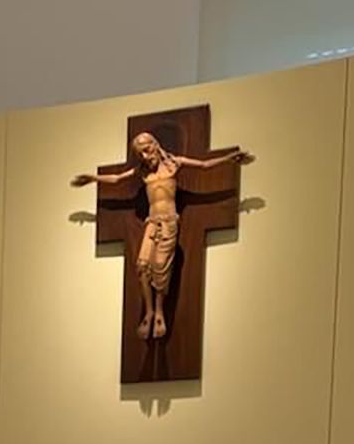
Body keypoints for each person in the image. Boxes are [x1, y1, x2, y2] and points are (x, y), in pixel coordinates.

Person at [71, 131, 252, 341]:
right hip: (151, 221)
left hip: (169, 221)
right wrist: (93, 179)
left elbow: (204, 165)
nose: (146, 157)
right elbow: (117, 178)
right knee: (141, 265)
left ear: (155, 145)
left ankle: (159, 312)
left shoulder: (175, 164)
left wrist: (229, 158)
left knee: (159, 267)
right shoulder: (142, 172)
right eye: (141, 154)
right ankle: (148, 312)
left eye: (147, 150)